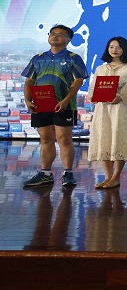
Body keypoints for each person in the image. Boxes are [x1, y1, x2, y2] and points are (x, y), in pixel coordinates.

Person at [22, 25, 89, 187]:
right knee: (45, 138)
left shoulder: (73, 58)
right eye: (52, 34)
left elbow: (78, 81)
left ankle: (68, 173)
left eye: (60, 34)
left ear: (68, 39)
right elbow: (29, 81)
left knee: (64, 138)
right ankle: (45, 174)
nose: (55, 36)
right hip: (41, 105)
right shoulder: (38, 58)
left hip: (64, 105)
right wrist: (28, 100)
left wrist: (65, 100)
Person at [87, 37, 127, 189]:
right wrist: (94, 97)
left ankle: (116, 177)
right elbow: (93, 87)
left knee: (118, 139)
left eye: (118, 47)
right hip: (102, 108)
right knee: (104, 139)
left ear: (125, 49)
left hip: (120, 109)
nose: (114, 50)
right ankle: (108, 177)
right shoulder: (101, 69)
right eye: (111, 47)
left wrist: (121, 97)